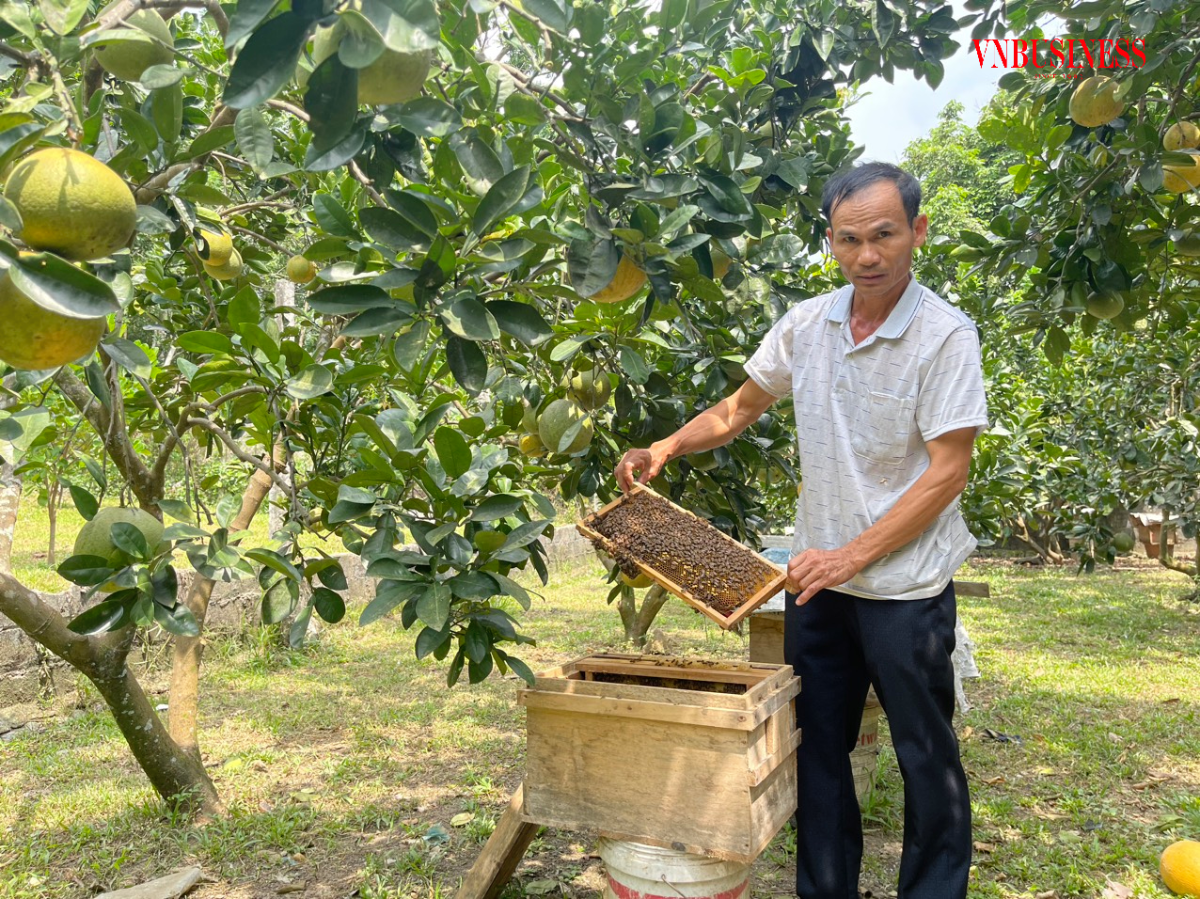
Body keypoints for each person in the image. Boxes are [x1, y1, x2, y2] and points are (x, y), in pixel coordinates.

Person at [614, 161, 988, 899]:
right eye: (849, 239)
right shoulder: (808, 324)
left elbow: (948, 472)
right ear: (831, 242)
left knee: (925, 753)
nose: (868, 255)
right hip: (819, 586)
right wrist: (665, 447)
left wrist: (850, 554)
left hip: (903, 591)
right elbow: (740, 407)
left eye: (884, 235)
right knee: (816, 749)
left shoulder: (946, 336)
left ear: (916, 231)